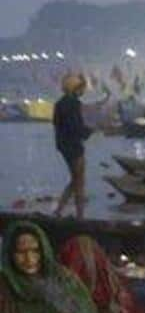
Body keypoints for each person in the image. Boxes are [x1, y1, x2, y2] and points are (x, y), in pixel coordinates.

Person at [53, 73, 92, 220]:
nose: (84, 91)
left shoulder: (59, 104)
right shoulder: (74, 103)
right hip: (74, 146)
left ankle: (59, 211)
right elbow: (76, 127)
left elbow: (57, 125)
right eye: (82, 88)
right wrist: (89, 131)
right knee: (79, 181)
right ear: (76, 88)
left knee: (76, 179)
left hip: (63, 145)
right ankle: (80, 216)